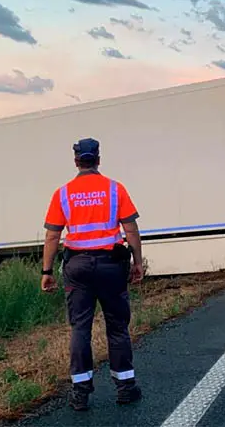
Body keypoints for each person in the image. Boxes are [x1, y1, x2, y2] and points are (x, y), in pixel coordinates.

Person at [39, 137, 145, 411]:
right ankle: (125, 388)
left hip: (77, 268)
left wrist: (47, 271)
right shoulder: (114, 189)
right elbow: (131, 230)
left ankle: (80, 393)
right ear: (98, 159)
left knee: (80, 328)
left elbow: (52, 236)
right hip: (111, 265)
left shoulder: (63, 193)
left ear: (76, 161)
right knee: (117, 327)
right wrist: (137, 262)